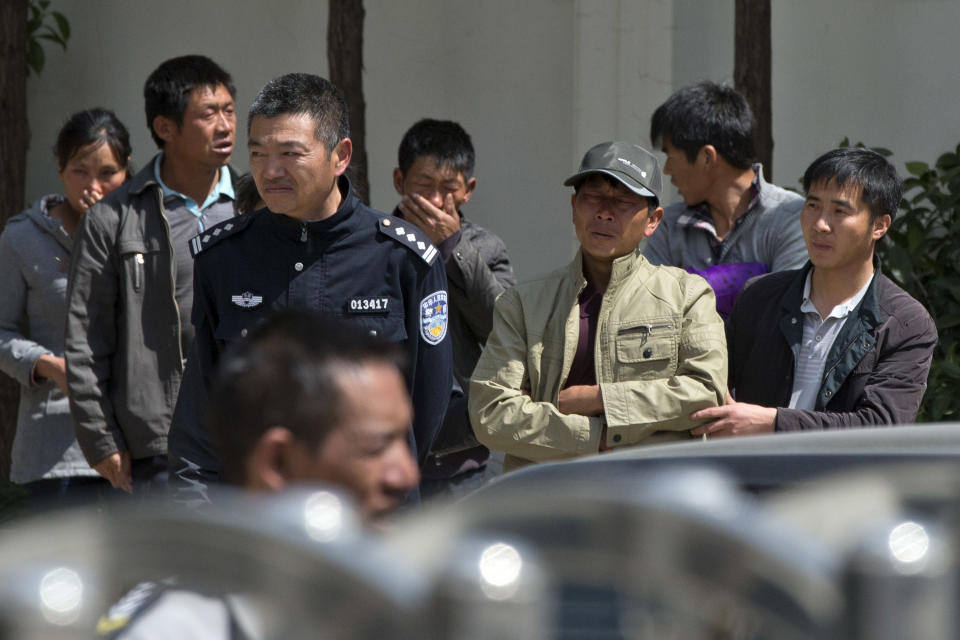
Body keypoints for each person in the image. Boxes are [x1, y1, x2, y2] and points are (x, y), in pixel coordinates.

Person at [168, 73, 452, 501]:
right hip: (259, 520)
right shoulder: (224, 258)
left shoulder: (403, 259)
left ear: (340, 156)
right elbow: (201, 412)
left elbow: (426, 409)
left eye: (290, 153)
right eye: (258, 153)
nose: (270, 170)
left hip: (371, 521)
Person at [96, 310, 420, 638]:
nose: (406, 475)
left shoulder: (413, 603)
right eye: (377, 447)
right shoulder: (172, 628)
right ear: (277, 463)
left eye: (404, 441)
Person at [469, 141, 727, 471]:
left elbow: (705, 392)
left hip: (653, 496)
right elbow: (491, 413)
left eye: (622, 201)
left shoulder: (686, 295)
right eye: (593, 197)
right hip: (550, 499)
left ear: (652, 220)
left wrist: (598, 398)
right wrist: (597, 439)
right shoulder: (522, 304)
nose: (604, 211)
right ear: (574, 206)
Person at [65, 55, 240, 494]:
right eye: (208, 113)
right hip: (158, 447)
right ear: (166, 128)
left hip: (245, 436)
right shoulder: (113, 218)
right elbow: (86, 340)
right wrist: (101, 441)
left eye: (229, 110)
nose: (225, 126)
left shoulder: (252, 208)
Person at [691, 147, 937, 437]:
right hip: (752, 474)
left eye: (840, 211)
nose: (820, 224)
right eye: (812, 205)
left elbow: (880, 427)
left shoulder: (906, 323)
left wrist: (772, 423)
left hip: (840, 481)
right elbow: (709, 380)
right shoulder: (759, 296)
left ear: (879, 226)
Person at [0, 108, 131, 501]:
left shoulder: (144, 235)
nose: (93, 184)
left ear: (127, 172)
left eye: (108, 172)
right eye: (80, 170)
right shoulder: (22, 238)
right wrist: (48, 366)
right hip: (56, 447)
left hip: (133, 438)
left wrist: (104, 234)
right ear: (59, 167)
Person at [391, 119, 515, 498]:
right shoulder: (375, 241)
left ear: (468, 191)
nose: (436, 201)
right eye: (423, 186)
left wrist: (450, 247)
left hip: (463, 453)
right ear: (400, 182)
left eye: (449, 189)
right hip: (391, 452)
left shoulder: (487, 248)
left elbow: (501, 326)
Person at [643, 81, 807, 317]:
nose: (667, 170)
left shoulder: (792, 218)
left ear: (706, 157)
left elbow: (784, 315)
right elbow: (648, 307)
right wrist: (744, 285)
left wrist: (684, 292)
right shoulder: (668, 224)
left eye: (670, 156)